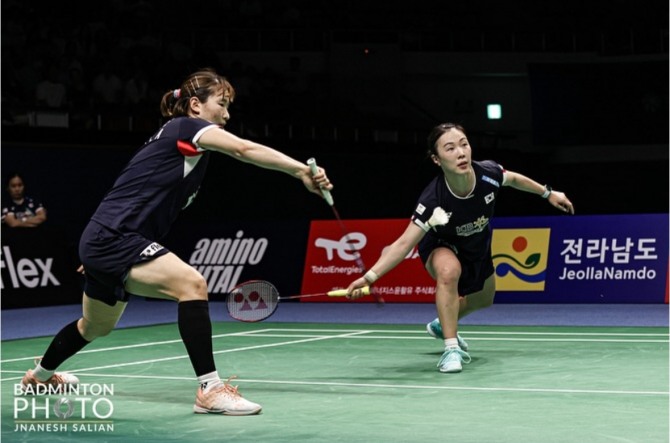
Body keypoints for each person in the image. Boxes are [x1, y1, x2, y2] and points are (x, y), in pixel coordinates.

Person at [21, 68, 333, 416]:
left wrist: (97, 252)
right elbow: (244, 149)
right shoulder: (187, 127)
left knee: (94, 326)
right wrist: (300, 171)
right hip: (114, 237)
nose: (227, 114)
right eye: (221, 104)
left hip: (106, 239)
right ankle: (210, 390)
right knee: (192, 284)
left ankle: (39, 377)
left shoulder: (183, 147)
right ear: (196, 105)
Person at [346, 122, 574, 374]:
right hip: (440, 244)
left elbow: (513, 179)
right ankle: (451, 349)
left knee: (484, 299)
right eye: (450, 148)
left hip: (476, 246)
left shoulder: (488, 174)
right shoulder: (433, 199)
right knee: (449, 271)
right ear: (436, 159)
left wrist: (548, 193)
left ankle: (442, 323)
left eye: (464, 144)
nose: (461, 153)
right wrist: (369, 278)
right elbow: (403, 243)